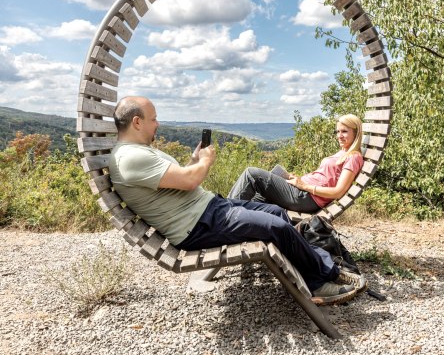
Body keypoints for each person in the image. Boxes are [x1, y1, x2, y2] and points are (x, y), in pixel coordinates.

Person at [108, 96, 362, 305]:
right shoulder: (130, 157)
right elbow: (188, 182)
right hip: (198, 225)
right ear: (137, 122)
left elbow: (174, 179)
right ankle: (320, 282)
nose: (158, 124)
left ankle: (320, 265)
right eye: (153, 119)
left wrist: (194, 161)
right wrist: (206, 161)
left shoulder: (140, 152)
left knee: (276, 212)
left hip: (208, 210)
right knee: (277, 227)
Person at [228, 114, 364, 213]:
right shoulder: (343, 152)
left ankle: (223, 215)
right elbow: (324, 177)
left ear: (356, 133)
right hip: (302, 192)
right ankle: (233, 224)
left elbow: (337, 192)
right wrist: (297, 179)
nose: (339, 136)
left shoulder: (353, 157)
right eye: (338, 131)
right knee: (256, 200)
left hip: (306, 198)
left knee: (252, 174)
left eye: (344, 131)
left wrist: (304, 185)